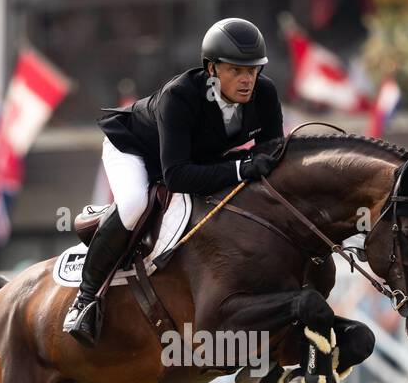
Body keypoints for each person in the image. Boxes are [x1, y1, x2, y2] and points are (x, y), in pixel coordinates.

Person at [63, 17, 284, 347]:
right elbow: (177, 176)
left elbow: (272, 155)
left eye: (252, 70)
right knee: (136, 203)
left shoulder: (264, 94)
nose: (246, 80)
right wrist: (240, 169)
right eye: (235, 70)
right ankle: (85, 299)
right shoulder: (179, 96)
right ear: (211, 69)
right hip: (135, 150)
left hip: (193, 158)